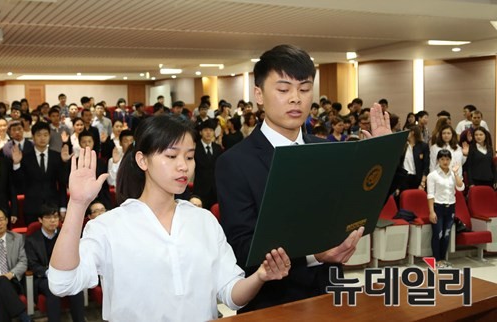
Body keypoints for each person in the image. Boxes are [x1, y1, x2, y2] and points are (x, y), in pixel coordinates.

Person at [48, 115, 292, 321]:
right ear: (142, 160)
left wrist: (260, 276)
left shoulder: (203, 220)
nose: (183, 166)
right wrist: (77, 205)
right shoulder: (109, 226)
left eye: (189, 156)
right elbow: (62, 283)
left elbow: (230, 293)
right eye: (172, 156)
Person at [215, 45, 383, 313]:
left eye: (304, 89)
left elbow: (358, 205)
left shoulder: (326, 149)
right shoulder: (234, 163)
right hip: (273, 304)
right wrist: (314, 256)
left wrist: (380, 156)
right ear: (258, 94)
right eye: (283, 90)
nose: (296, 98)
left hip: (331, 295)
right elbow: (244, 248)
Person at [26, 205, 85, 322]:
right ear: (40, 220)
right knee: (52, 288)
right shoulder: (32, 240)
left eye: (55, 217)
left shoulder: (66, 236)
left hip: (66, 273)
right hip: (44, 277)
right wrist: (50, 273)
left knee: (76, 287)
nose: (52, 220)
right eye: (48, 217)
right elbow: (33, 264)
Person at [12, 122, 68, 224]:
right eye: (39, 135)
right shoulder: (25, 157)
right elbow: (19, 184)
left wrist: (63, 207)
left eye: (45, 135)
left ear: (49, 136)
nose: (42, 138)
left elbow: (63, 183)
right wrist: (16, 164)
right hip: (32, 207)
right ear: (33, 137)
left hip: (53, 206)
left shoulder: (57, 156)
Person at [427, 150, 464, 268]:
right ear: (438, 160)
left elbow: (461, 187)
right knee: (438, 233)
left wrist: (456, 173)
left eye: (447, 159)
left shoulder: (453, 174)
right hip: (438, 207)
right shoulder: (432, 175)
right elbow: (430, 195)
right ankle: (436, 260)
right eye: (442, 159)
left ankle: (443, 259)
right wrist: (431, 212)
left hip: (450, 207)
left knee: (447, 234)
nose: (445, 162)